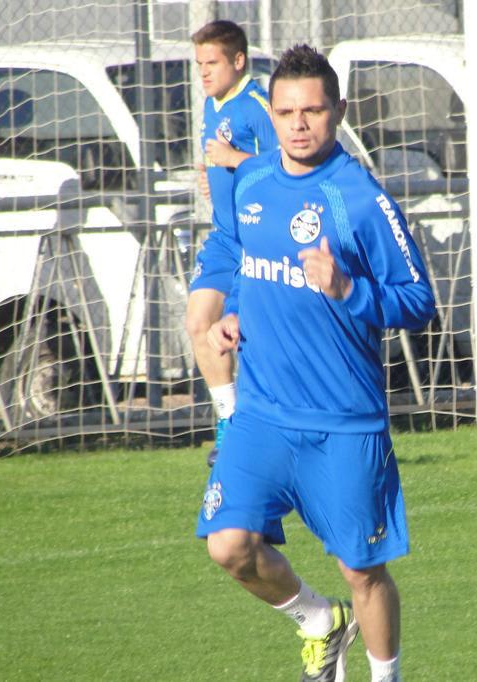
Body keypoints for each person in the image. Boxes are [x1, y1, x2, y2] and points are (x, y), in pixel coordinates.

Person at [196, 45, 435, 682]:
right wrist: (238, 309)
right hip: (263, 414)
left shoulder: (360, 199)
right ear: (268, 115)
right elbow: (251, 261)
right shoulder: (252, 181)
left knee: (362, 571)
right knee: (229, 545)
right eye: (286, 112)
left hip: (344, 423)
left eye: (313, 110)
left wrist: (348, 291)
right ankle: (315, 620)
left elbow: (419, 301)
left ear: (339, 112)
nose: (299, 123)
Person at [186, 20, 278, 467]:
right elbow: (219, 160)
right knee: (197, 322)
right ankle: (229, 424)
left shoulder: (258, 105)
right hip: (225, 236)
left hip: (259, 239)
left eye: (212, 63)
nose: (203, 72)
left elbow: (286, 169)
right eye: (199, 63)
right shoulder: (211, 103)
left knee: (250, 337)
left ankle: (268, 427)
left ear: (238, 61)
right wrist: (211, 173)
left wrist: (232, 160)